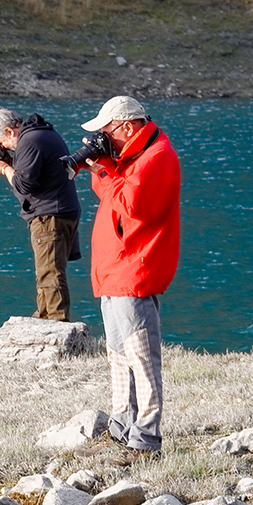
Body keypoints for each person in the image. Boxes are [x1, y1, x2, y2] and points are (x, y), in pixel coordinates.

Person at [72, 95, 181, 458]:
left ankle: (146, 440)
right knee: (119, 355)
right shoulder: (133, 156)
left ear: (127, 127)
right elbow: (112, 197)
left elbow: (134, 206)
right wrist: (101, 166)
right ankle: (122, 429)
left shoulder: (157, 157)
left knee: (141, 358)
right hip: (116, 270)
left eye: (107, 131)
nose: (103, 138)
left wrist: (105, 167)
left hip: (135, 270)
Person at [0, 108, 81, 322]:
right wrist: (11, 162)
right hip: (62, 210)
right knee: (46, 270)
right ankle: (43, 316)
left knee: (50, 271)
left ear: (9, 132)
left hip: (49, 215)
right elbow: (36, 173)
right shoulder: (43, 133)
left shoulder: (29, 141)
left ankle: (56, 321)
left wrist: (6, 168)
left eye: (1, 142)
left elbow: (24, 185)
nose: (2, 147)